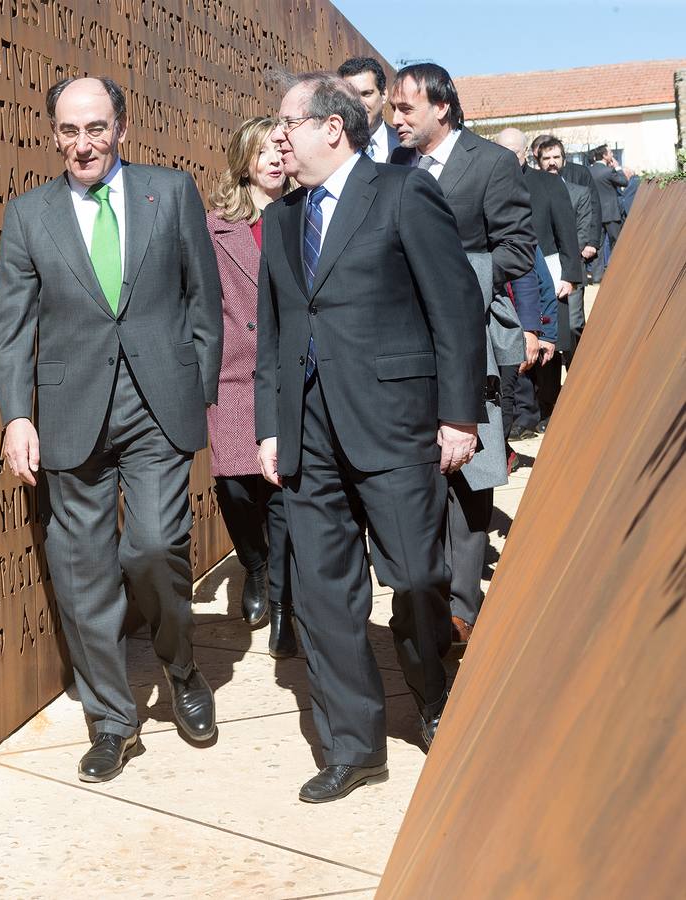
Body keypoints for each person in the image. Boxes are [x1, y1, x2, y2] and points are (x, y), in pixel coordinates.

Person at [255, 72, 484, 802]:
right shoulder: (284, 218)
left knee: (416, 576)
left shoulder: (400, 191)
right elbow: (274, 332)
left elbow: (452, 307)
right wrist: (268, 425)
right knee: (323, 597)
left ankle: (433, 690)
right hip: (306, 433)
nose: (277, 135)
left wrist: (458, 416)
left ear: (332, 126)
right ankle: (352, 748)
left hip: (392, 422)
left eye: (288, 121)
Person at [0, 76, 223, 783]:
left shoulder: (170, 191)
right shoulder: (29, 215)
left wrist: (197, 392)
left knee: (153, 546)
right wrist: (16, 414)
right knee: (82, 570)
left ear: (120, 126)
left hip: (157, 404)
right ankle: (112, 723)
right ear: (53, 135)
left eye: (94, 128)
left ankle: (180, 666)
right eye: (68, 130)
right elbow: (11, 328)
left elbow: (201, 303)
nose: (82, 143)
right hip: (71, 411)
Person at [389, 63, 536, 642]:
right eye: (392, 110)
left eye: (405, 109)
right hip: (404, 343)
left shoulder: (492, 164)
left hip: (472, 337)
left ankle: (463, 609)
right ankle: (423, 597)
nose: (395, 120)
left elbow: (518, 251)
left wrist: (451, 278)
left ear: (441, 108)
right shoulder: (392, 168)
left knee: (471, 473)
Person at [205, 116, 296, 658]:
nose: (275, 159)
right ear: (245, 160)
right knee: (237, 485)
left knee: (282, 487)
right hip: (235, 370)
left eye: (280, 149)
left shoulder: (305, 214)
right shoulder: (216, 226)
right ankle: (255, 564)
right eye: (263, 151)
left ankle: (283, 600)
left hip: (289, 366)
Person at [495, 128, 580, 425]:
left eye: (511, 153)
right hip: (513, 272)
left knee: (549, 342)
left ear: (523, 154)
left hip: (549, 268)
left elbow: (566, 229)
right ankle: (524, 412)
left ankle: (548, 405)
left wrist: (570, 274)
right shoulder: (494, 181)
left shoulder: (547, 182)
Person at [534, 136, 598, 353]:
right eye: (547, 158)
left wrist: (567, 264)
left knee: (573, 324)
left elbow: (581, 230)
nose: (552, 162)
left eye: (556, 157)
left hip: (570, 267)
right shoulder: (530, 191)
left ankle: (577, 369)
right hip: (540, 267)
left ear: (563, 160)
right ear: (538, 160)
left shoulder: (579, 193)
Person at [337, 57, 398, 163]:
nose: (360, 103)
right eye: (351, 95)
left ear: (384, 94)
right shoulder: (333, 148)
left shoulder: (406, 145)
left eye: (366, 94)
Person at [589, 144, 632, 279]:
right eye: (610, 152)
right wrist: (617, 167)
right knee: (617, 242)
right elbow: (624, 182)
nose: (612, 155)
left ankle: (597, 276)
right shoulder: (609, 171)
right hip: (612, 213)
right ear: (604, 156)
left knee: (598, 245)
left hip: (595, 213)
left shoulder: (589, 171)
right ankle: (618, 272)